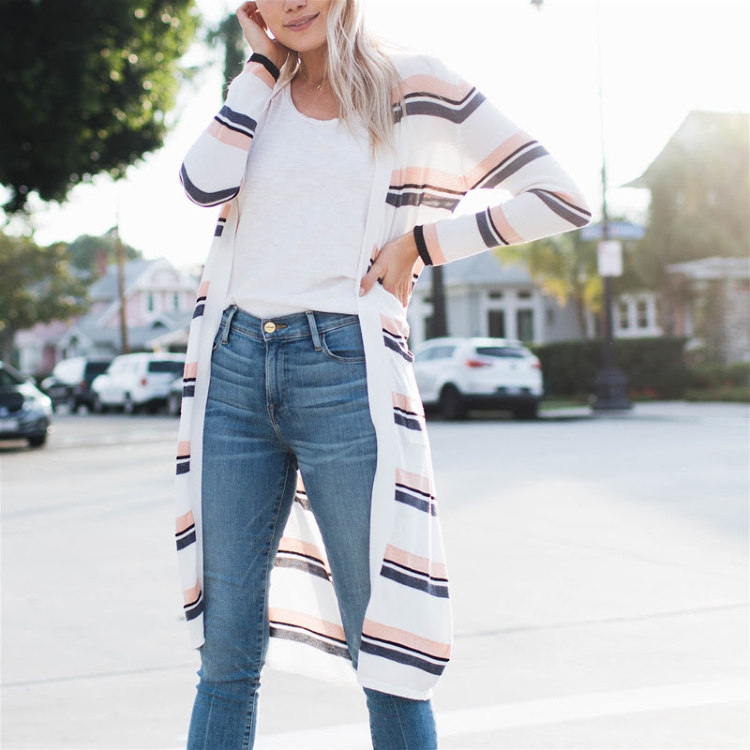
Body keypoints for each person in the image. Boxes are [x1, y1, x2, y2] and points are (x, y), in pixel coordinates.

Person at [174, 1, 591, 747]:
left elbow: (562, 197)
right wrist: (260, 65)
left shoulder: (413, 82)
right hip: (232, 369)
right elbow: (201, 186)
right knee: (226, 654)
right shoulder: (257, 96)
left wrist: (423, 243)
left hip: (345, 370)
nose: (293, 3)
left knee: (386, 646)